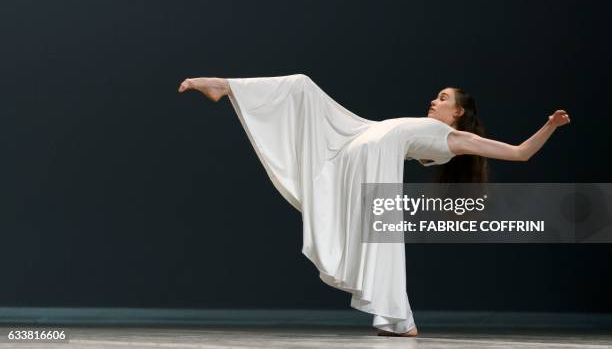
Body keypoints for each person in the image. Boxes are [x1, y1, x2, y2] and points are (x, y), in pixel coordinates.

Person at [178, 74, 570, 337]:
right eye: (436, 96)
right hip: (350, 142)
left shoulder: (453, 139)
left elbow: (519, 153)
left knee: (382, 242)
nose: (434, 101)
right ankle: (226, 86)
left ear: (459, 114)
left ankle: (397, 318)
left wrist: (550, 125)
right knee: (299, 86)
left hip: (363, 165)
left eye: (444, 99)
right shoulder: (423, 126)